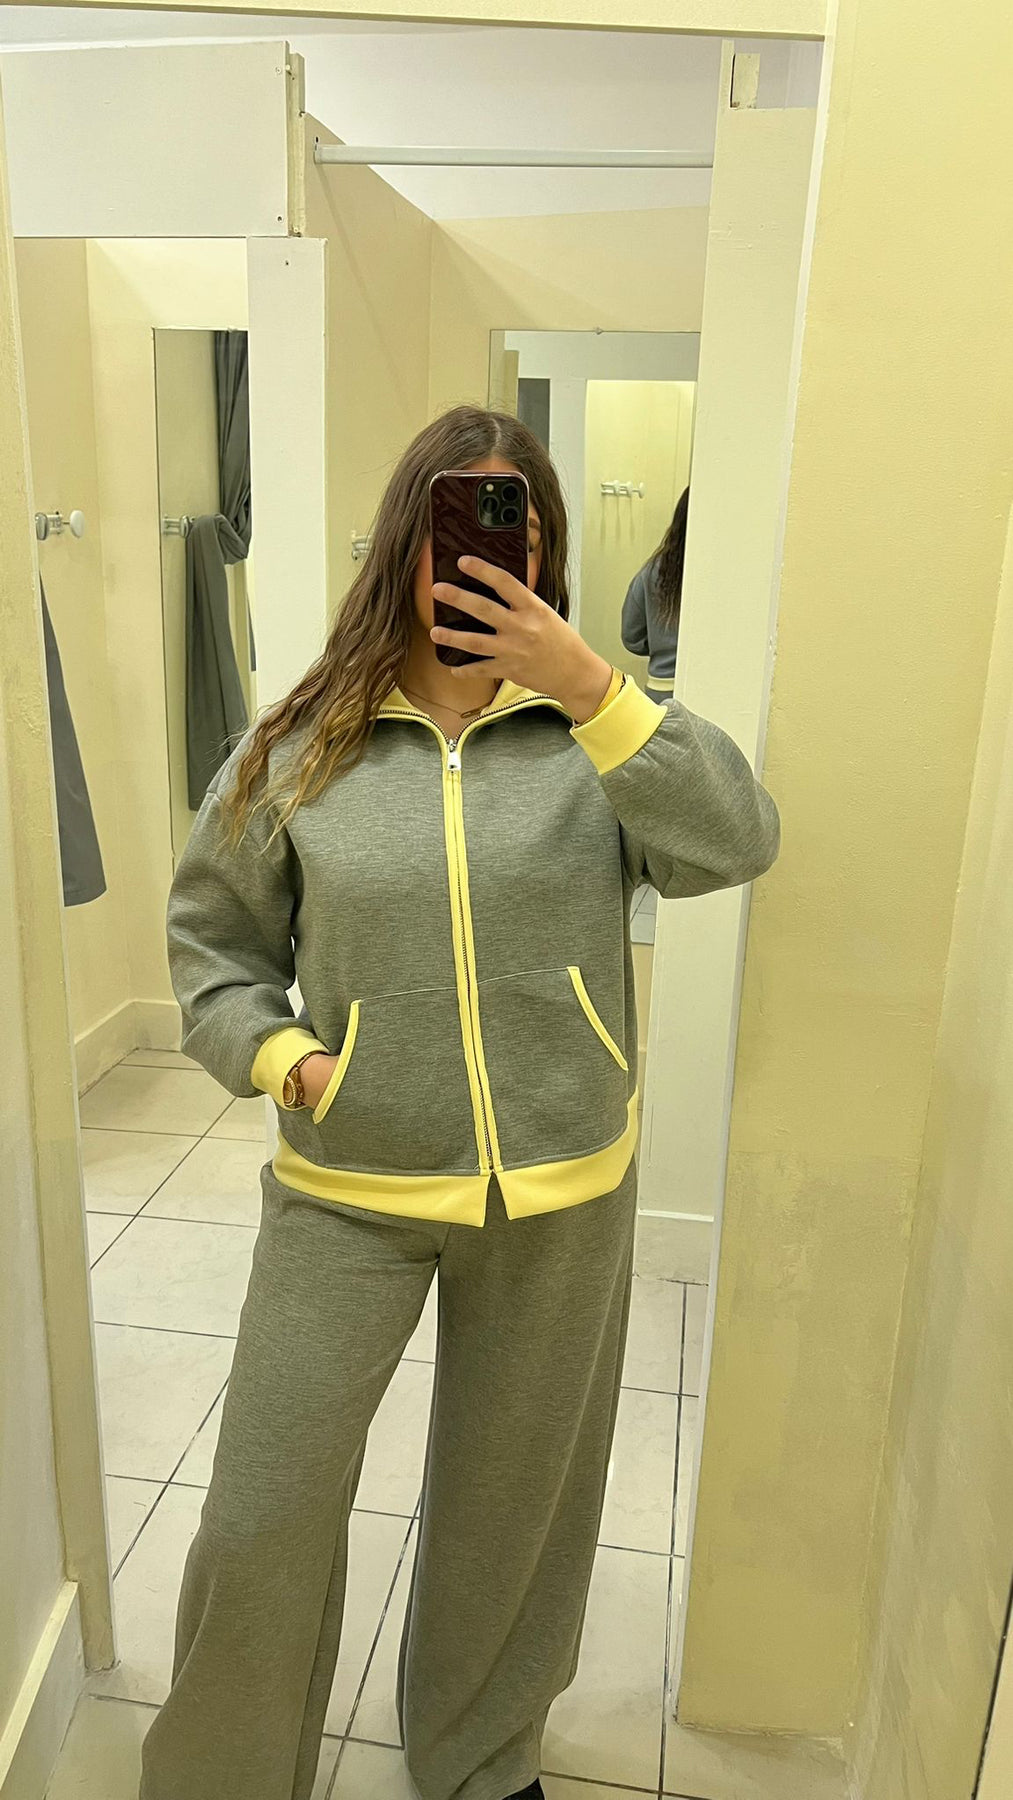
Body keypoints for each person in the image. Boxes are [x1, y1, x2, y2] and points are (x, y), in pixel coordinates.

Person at [139, 408, 780, 1800]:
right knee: (260, 1515)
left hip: (560, 1191)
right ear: (403, 545)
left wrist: (594, 686)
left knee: (512, 1518)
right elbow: (212, 954)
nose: (485, 555)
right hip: (348, 1190)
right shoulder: (299, 749)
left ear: (545, 555)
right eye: (457, 524)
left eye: (518, 529)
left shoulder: (597, 738)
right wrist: (290, 1063)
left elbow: (737, 841)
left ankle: (480, 1764)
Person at [620, 484, 689, 698]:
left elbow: (631, 636)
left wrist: (661, 642)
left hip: (659, 691)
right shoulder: (717, 578)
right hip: (702, 690)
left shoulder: (652, 572)